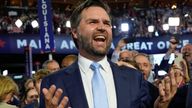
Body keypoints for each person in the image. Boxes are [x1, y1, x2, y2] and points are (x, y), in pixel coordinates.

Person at [40, 0, 178, 108]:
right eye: (93, 22)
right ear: (75, 32)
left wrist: (162, 105)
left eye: (106, 23)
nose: (101, 27)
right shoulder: (53, 83)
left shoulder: (134, 79)